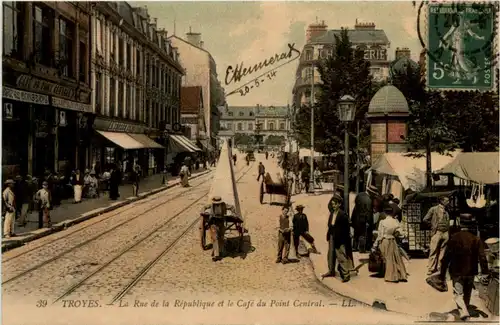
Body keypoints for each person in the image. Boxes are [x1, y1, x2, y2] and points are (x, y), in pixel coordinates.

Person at [439, 214, 489, 321]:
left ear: (460, 224)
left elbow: (446, 257)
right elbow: (482, 257)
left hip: (457, 271)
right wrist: (485, 272)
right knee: (467, 292)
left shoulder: (454, 238)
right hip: (471, 271)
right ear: (471, 224)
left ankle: (464, 312)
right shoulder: (476, 239)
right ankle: (465, 309)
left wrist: (442, 273)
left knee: (458, 293)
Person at [322, 193, 354, 282]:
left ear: (339, 204)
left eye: (335, 204)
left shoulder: (343, 215)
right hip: (332, 236)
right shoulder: (332, 213)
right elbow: (330, 225)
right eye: (332, 204)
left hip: (340, 238)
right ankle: (331, 270)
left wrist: (342, 239)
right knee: (331, 255)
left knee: (341, 256)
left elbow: (346, 229)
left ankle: (346, 275)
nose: (333, 206)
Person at [372, 204, 408, 283]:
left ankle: (390, 276)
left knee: (387, 258)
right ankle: (400, 274)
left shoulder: (383, 222)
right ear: (392, 213)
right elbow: (400, 233)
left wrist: (375, 245)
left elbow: (380, 235)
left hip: (385, 240)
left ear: (385, 213)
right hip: (393, 240)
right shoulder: (395, 221)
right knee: (395, 258)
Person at [201, 196, 236, 261]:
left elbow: (232, 207)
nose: (217, 204)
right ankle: (216, 255)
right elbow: (204, 207)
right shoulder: (211, 205)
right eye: (216, 203)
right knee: (215, 238)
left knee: (221, 237)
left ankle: (221, 251)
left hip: (221, 223)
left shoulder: (224, 205)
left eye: (218, 203)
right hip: (213, 223)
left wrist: (233, 213)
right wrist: (203, 212)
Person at [423, 196, 451, 275]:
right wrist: (432, 226)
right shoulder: (433, 209)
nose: (448, 202)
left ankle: (440, 268)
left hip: (445, 232)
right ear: (442, 201)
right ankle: (431, 268)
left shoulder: (447, 210)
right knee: (433, 250)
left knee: (443, 252)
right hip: (437, 232)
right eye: (447, 200)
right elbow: (425, 219)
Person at [351, 185, 375, 253]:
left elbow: (355, 203)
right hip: (363, 219)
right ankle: (361, 249)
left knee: (356, 232)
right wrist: (369, 222)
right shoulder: (369, 200)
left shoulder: (360, 195)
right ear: (371, 192)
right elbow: (369, 213)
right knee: (363, 233)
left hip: (356, 217)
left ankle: (354, 247)